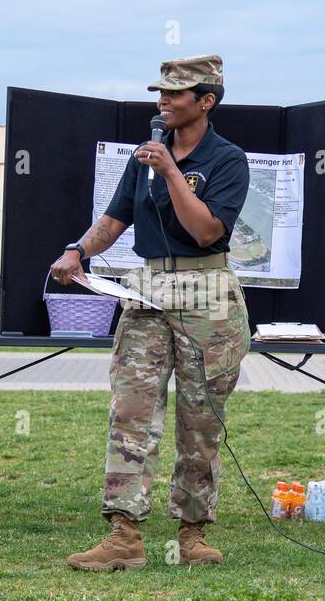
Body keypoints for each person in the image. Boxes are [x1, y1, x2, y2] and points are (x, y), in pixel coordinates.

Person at [48, 53, 252, 572]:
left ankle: (192, 533)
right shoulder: (145, 157)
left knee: (199, 419)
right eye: (158, 94)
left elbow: (208, 230)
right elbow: (115, 218)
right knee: (131, 409)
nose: (161, 102)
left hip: (207, 289)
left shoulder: (228, 159)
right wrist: (77, 251)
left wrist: (171, 171)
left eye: (174, 94)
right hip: (148, 289)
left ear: (205, 102)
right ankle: (124, 535)